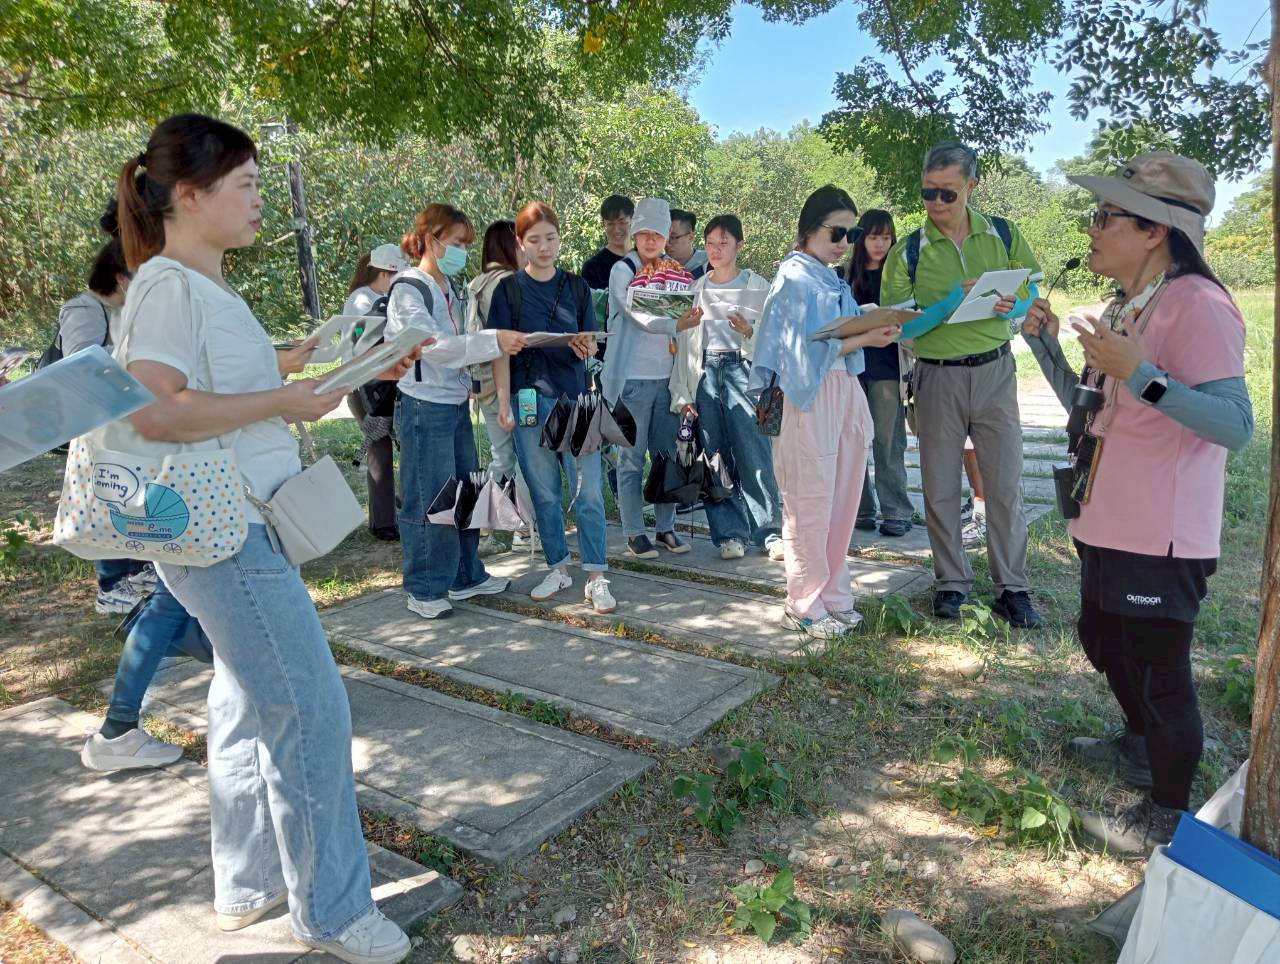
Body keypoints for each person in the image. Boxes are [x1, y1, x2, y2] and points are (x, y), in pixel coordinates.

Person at [114, 113, 423, 961]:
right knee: (307, 705)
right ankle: (330, 912)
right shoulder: (169, 286)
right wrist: (286, 401)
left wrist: (313, 358)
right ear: (189, 194)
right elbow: (156, 408)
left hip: (229, 523)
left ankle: (248, 881)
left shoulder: (197, 284)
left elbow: (224, 376)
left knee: (249, 698)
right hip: (226, 530)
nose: (259, 200)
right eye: (245, 184)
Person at [1021, 151, 1252, 854]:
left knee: (1160, 669)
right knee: (1103, 640)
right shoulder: (1128, 304)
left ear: (1155, 230)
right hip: (1106, 516)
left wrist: (1144, 375)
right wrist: (1048, 350)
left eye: (1106, 216)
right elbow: (1089, 410)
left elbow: (1235, 426)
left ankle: (1168, 817)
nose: (1091, 229)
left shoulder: (1199, 305)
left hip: (1162, 531)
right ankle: (1137, 744)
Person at [881, 140, 1044, 627]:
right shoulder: (909, 250)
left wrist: (1010, 306)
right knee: (938, 488)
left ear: (972, 186)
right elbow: (898, 327)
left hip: (995, 371)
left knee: (1004, 485)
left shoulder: (1004, 234)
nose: (936, 203)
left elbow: (1030, 294)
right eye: (928, 192)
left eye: (947, 193)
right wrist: (950, 303)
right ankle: (950, 584)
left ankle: (1012, 588)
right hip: (936, 376)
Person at [749, 185, 899, 638]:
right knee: (810, 502)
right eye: (838, 231)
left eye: (850, 234)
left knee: (843, 500)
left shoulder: (828, 277)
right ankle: (805, 602)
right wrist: (866, 338)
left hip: (843, 391)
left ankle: (835, 594)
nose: (844, 243)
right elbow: (798, 356)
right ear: (810, 228)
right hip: (807, 398)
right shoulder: (794, 277)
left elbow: (832, 335)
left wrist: (871, 321)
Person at [389, 203, 527, 619]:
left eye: (466, 244)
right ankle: (426, 587)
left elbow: (455, 345)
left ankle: (466, 574)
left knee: (465, 490)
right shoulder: (408, 288)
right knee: (429, 496)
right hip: (423, 405)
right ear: (430, 240)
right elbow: (433, 348)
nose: (462, 251)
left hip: (453, 403)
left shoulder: (448, 287)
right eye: (456, 243)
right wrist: (492, 341)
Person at [488, 202, 616, 613]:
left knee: (589, 492)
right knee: (543, 492)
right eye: (534, 240)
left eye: (551, 238)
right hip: (528, 399)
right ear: (521, 245)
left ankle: (597, 575)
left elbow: (589, 341)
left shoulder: (577, 287)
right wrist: (503, 402)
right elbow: (499, 350)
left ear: (560, 239)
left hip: (574, 399)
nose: (544, 247)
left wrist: (585, 344)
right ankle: (558, 566)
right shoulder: (508, 290)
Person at [669, 214, 781, 560]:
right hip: (705, 371)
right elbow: (684, 346)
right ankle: (728, 533)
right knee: (714, 454)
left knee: (753, 451)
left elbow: (774, 338)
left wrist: (748, 332)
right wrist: (683, 393)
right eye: (711, 243)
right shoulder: (696, 288)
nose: (716, 250)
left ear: (739, 246)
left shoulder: (757, 285)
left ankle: (769, 531)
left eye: (724, 243)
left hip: (742, 369)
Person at [600, 197, 703, 558]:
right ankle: (633, 531)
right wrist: (675, 320)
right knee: (630, 457)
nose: (649, 240)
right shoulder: (622, 271)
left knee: (666, 455)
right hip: (631, 379)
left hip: (668, 380)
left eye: (656, 234)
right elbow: (635, 312)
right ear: (633, 234)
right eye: (641, 233)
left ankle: (665, 528)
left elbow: (687, 313)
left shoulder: (676, 272)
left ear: (666, 237)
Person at [467, 220, 533, 556]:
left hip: (483, 383)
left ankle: (493, 528)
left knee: (501, 456)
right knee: (524, 455)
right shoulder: (509, 282)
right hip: (511, 382)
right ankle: (520, 525)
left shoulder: (477, 282)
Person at [847, 210, 914, 539]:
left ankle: (897, 510)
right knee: (853, 440)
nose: (879, 243)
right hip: (850, 368)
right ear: (861, 238)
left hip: (888, 367)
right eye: (873, 237)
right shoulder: (843, 275)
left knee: (888, 442)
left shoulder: (900, 275)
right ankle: (859, 508)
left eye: (886, 237)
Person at [344, 243, 408, 541]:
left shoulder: (382, 298)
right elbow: (360, 348)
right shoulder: (362, 301)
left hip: (387, 386)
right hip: (365, 389)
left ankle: (401, 508)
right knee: (379, 452)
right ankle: (383, 524)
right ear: (385, 274)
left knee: (395, 447)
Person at [581, 194, 635, 290]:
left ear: (632, 220)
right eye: (610, 224)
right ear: (603, 224)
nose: (616, 230)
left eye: (622, 222)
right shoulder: (592, 267)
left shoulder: (644, 259)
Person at [667, 209, 709, 279]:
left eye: (673, 237)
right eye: (664, 237)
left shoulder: (709, 263)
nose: (667, 243)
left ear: (690, 237)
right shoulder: (657, 264)